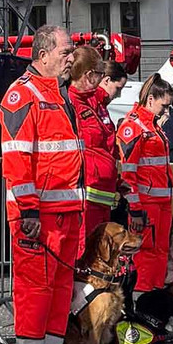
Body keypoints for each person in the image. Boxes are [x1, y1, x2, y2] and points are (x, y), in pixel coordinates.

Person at [0, 24, 84, 344]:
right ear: (44, 53)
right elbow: (17, 158)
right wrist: (29, 210)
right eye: (65, 51)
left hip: (65, 211)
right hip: (38, 217)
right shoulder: (23, 95)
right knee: (35, 293)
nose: (71, 57)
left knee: (59, 293)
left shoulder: (60, 95)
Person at [116, 74, 173, 328]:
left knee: (157, 260)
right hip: (145, 206)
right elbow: (128, 172)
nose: (166, 110)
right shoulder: (134, 127)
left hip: (160, 204)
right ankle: (140, 324)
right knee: (144, 263)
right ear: (151, 98)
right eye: (164, 105)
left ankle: (151, 321)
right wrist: (135, 207)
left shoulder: (152, 127)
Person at [70, 45, 120, 237]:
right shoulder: (71, 103)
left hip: (100, 192)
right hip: (86, 194)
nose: (102, 79)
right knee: (85, 249)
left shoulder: (92, 103)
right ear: (90, 74)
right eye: (100, 74)